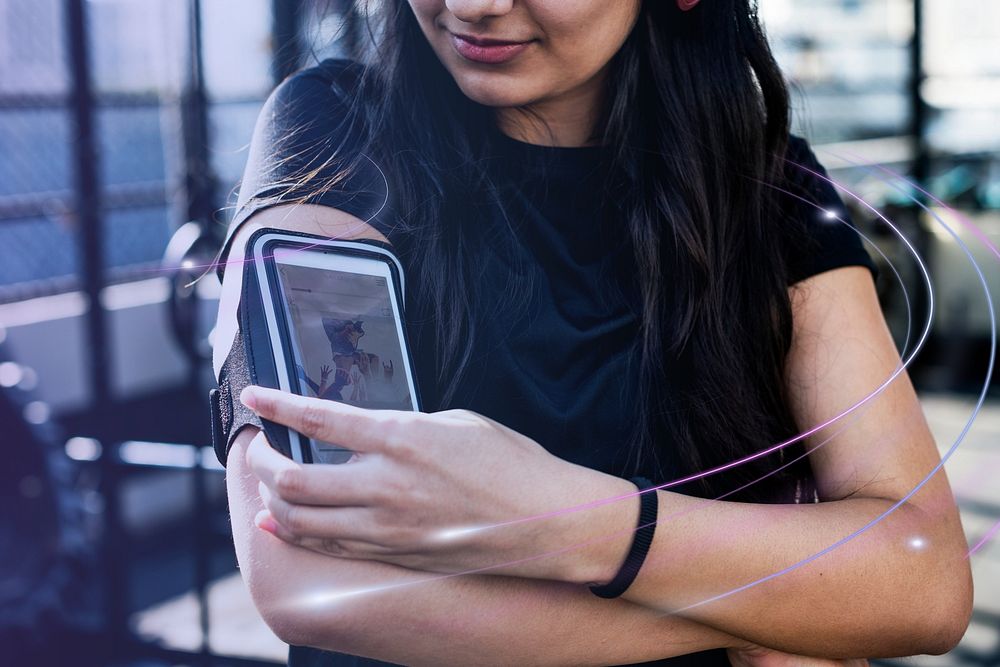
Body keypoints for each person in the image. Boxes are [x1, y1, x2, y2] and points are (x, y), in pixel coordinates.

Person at [209, 1, 973, 665]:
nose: (474, 4)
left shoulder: (768, 190)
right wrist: (775, 607)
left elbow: (925, 578)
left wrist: (572, 519)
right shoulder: (338, 128)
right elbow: (317, 579)